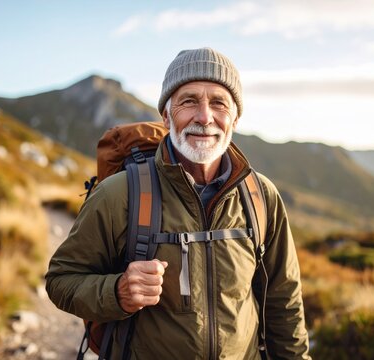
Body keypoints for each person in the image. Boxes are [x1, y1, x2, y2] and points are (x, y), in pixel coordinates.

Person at [46, 47, 311, 359]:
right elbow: (61, 281)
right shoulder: (119, 195)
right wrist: (118, 292)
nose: (204, 117)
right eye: (188, 101)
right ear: (167, 114)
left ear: (235, 118)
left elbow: (284, 302)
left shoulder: (260, 196)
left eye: (219, 103)